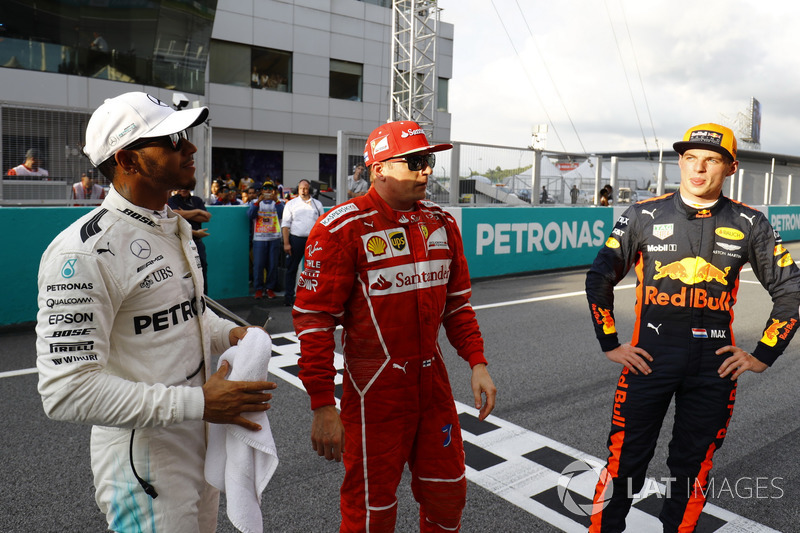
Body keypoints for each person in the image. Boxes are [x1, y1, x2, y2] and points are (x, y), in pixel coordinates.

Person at [35, 91, 277, 533]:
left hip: (200, 436)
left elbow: (184, 314)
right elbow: (65, 391)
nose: (190, 147)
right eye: (171, 139)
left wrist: (229, 336)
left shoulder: (169, 223)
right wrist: (199, 401)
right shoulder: (83, 253)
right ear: (127, 160)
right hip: (145, 459)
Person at [585, 123, 800, 533]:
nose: (698, 169)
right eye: (690, 158)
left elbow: (790, 289)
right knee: (623, 462)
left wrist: (762, 355)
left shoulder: (751, 223)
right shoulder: (643, 215)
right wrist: (610, 342)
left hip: (714, 368)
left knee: (692, 467)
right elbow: (599, 278)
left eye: (711, 160)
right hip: (648, 360)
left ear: (730, 167)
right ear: (680, 162)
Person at [293, 120, 497, 532]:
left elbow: (457, 307)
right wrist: (322, 405)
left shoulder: (442, 224)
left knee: (449, 494)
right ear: (379, 168)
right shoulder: (339, 227)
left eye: (431, 160)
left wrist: (477, 362)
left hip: (432, 384)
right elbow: (315, 323)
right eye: (417, 161)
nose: (428, 170)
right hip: (373, 393)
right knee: (370, 511)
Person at [280, 179, 323, 307]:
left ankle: (312, 296)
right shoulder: (291, 204)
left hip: (313, 241)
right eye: (301, 188)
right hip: (296, 239)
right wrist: (286, 243)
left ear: (309, 189)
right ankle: (289, 297)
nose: (303, 191)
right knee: (292, 269)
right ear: (297, 189)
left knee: (313, 269)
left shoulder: (317, 204)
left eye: (305, 188)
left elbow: (322, 224)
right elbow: (285, 225)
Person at [168, 188, 212, 294]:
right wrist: (197, 211)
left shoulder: (197, 200)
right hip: (179, 243)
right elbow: (175, 214)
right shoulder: (172, 200)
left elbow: (206, 218)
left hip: (197, 243)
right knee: (183, 273)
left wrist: (183, 213)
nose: (183, 190)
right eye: (180, 187)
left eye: (186, 187)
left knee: (201, 270)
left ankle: (204, 299)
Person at [249, 181, 284, 299]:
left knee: (273, 265)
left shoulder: (279, 203)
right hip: (259, 238)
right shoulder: (254, 202)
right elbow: (250, 215)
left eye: (270, 189)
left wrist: (277, 201)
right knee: (258, 265)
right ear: (262, 191)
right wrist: (258, 202)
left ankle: (270, 288)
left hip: (274, 238)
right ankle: (258, 289)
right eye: (265, 189)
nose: (268, 191)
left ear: (274, 191)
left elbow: (282, 214)